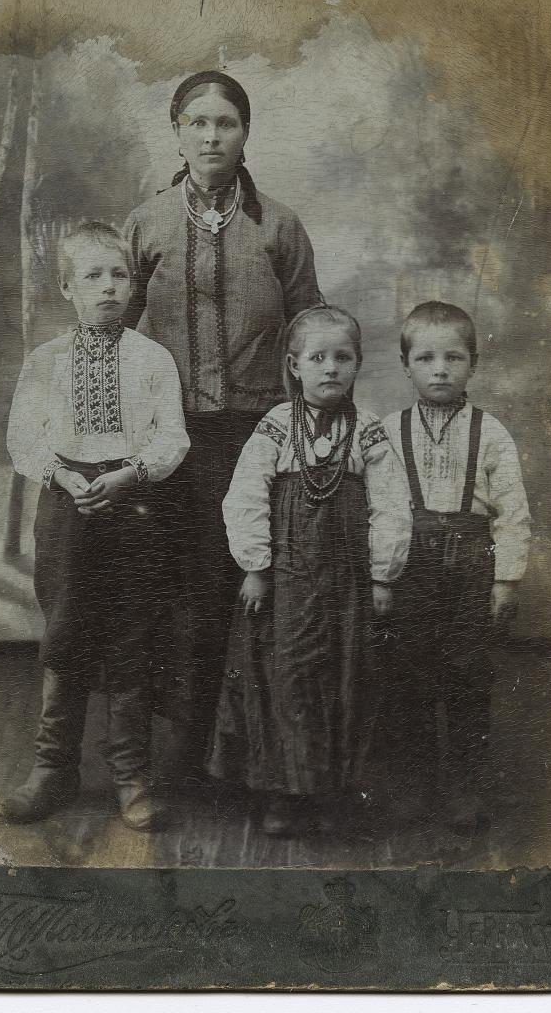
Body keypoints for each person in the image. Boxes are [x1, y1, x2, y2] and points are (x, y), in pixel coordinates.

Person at [123, 71, 322, 767]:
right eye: (197, 122)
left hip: (257, 439)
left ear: (245, 132)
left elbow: (310, 335)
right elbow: (113, 337)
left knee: (259, 590)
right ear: (176, 128)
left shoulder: (281, 227)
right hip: (170, 441)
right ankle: (182, 757)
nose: (211, 136)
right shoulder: (146, 223)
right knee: (184, 592)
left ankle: (261, 764)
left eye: (226, 122)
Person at [2, 221, 189, 830]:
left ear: (133, 284)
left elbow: (172, 436)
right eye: (92, 276)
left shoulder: (152, 359)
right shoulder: (46, 361)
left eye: (120, 275)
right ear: (66, 288)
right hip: (66, 507)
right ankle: (53, 769)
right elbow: (23, 437)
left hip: (133, 508)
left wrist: (132, 472)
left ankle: (130, 778)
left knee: (133, 634)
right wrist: (61, 475)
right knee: (66, 630)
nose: (109, 288)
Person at [206, 306, 412, 836]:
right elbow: (245, 494)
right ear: (294, 366)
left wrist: (383, 576)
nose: (331, 369)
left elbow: (391, 505)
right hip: (285, 583)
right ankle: (281, 794)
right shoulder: (276, 426)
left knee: (342, 680)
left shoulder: (366, 433)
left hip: (344, 587)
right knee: (286, 680)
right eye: (317, 358)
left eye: (343, 357)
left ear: (358, 365)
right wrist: (256, 566)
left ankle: (331, 793)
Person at [382, 301, 531, 839]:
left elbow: (513, 513)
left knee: (468, 677)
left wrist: (506, 580)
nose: (439, 369)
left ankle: (466, 786)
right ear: (406, 366)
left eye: (454, 357)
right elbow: (379, 511)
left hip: (472, 567)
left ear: (474, 364)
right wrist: (381, 576)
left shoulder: (491, 434)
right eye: (425, 358)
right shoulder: (386, 432)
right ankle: (411, 781)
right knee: (406, 675)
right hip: (409, 568)